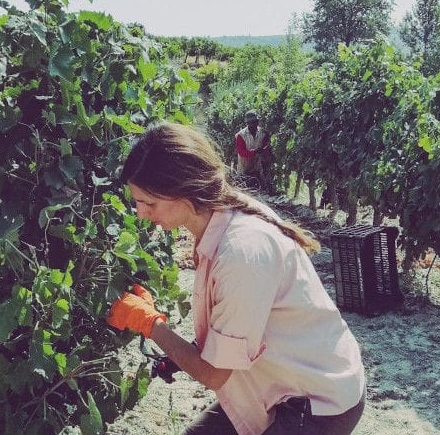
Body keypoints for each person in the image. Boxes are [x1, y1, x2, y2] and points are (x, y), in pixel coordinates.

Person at [106, 122, 366, 435]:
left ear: (183, 191)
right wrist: (177, 353)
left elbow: (214, 375)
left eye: (148, 203)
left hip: (317, 401)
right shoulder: (219, 222)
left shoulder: (241, 252)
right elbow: (234, 326)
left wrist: (150, 324)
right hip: (278, 381)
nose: (140, 213)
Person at [235, 110, 271, 189]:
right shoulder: (240, 135)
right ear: (247, 123)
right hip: (244, 168)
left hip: (257, 168)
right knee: (245, 191)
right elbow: (241, 152)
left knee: (259, 191)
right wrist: (254, 152)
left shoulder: (263, 133)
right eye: (252, 122)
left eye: (256, 121)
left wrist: (264, 151)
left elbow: (266, 145)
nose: (255, 124)